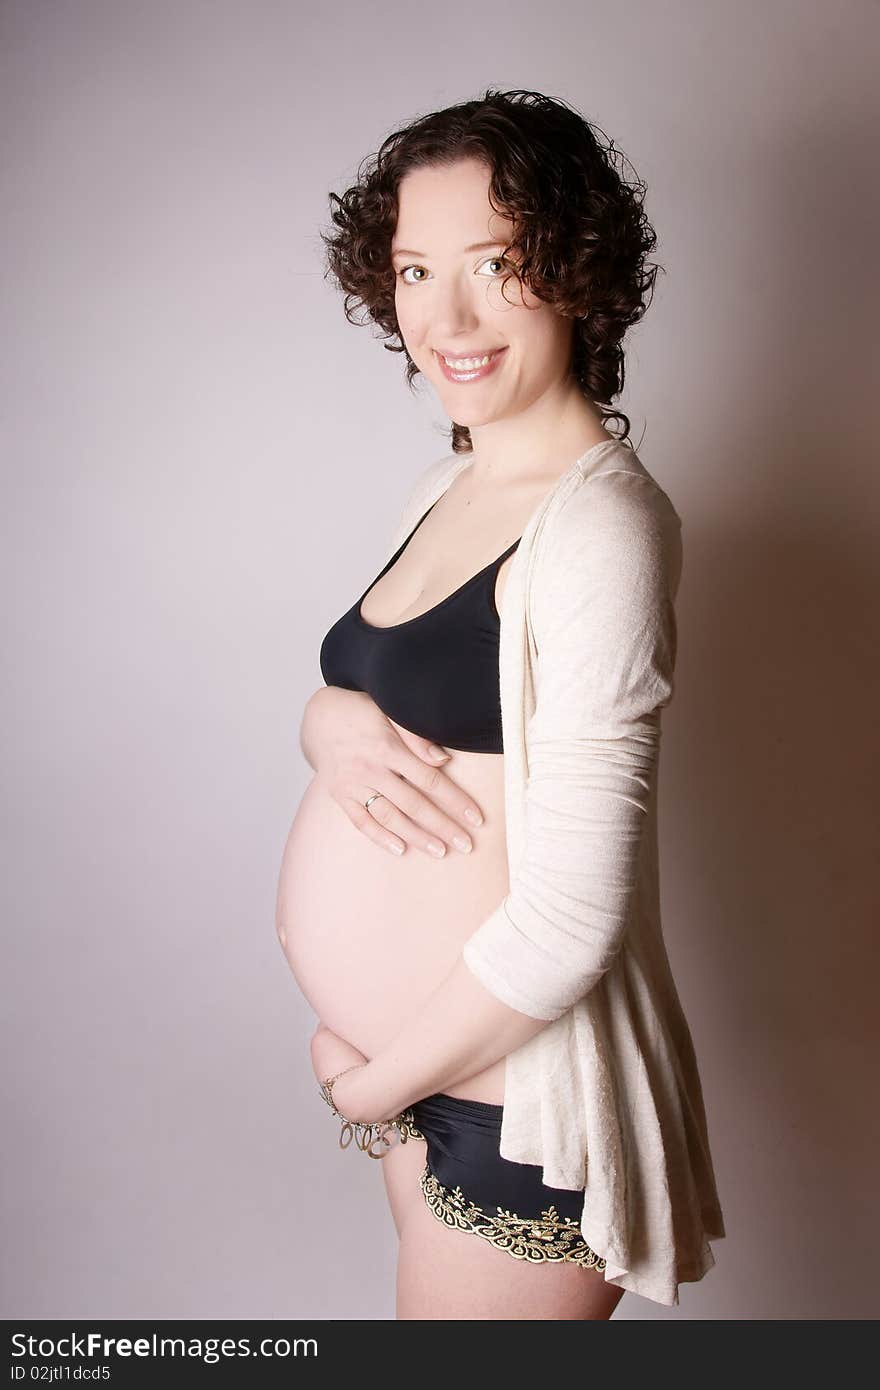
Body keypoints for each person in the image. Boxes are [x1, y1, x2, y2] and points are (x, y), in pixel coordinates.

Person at [283, 88, 725, 1319]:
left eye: (497, 264)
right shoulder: (450, 479)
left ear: (576, 271)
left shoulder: (603, 529)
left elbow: (576, 914)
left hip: (514, 1108)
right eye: (417, 271)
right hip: (430, 1079)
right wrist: (321, 723)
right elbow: (375, 690)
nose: (448, 316)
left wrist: (368, 1094)